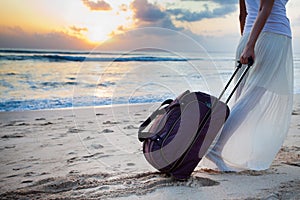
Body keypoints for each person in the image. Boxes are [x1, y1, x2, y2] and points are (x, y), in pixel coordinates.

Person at [200, 0, 294, 171]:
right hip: (272, 37)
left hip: (249, 37)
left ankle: (220, 146)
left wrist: (247, 42)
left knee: (244, 99)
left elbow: (243, 15)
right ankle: (216, 148)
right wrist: (251, 45)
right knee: (251, 99)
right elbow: (264, 8)